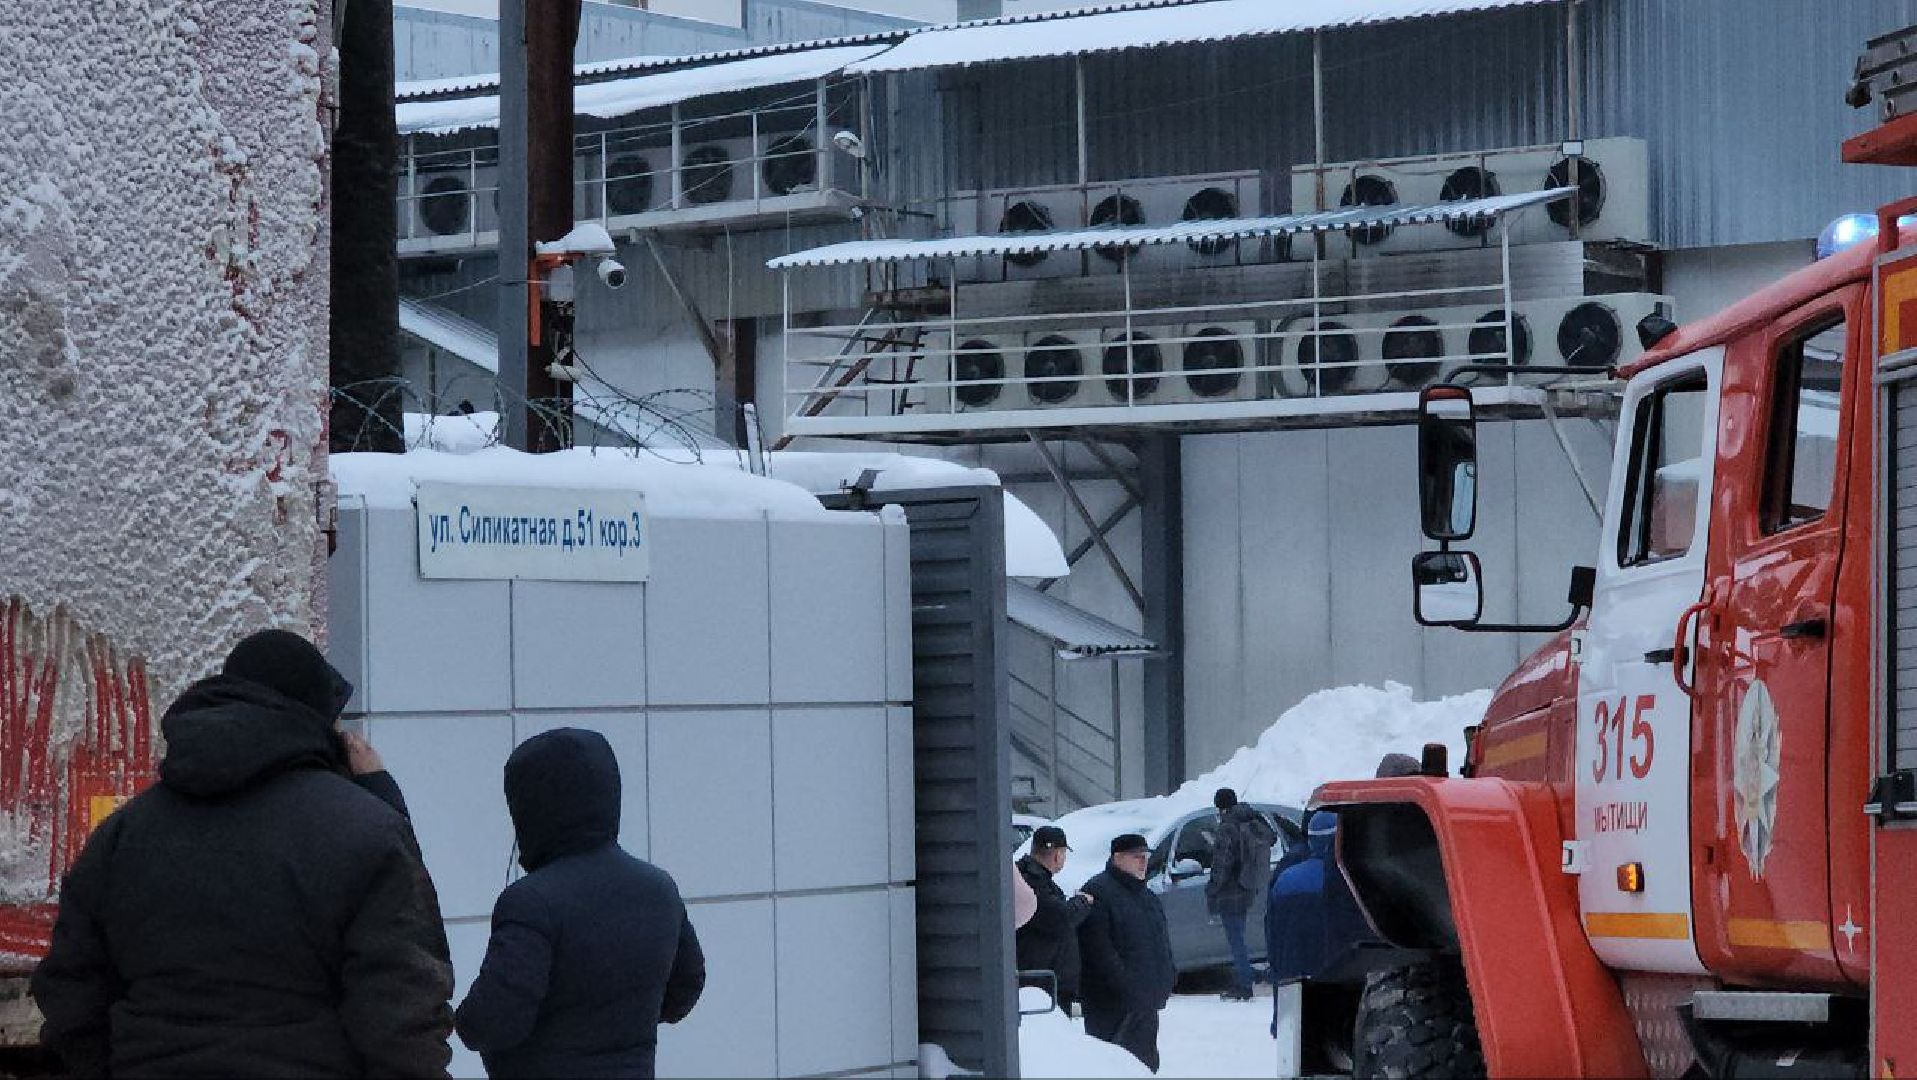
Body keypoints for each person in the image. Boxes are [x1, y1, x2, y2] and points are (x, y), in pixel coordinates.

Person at [31, 628, 455, 1078]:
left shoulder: (125, 832)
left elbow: (71, 991)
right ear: (315, 715)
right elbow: (403, 1014)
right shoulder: (364, 831)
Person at [456, 727, 705, 1079]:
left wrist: (457, 1019)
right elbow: (686, 986)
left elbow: (493, 1021)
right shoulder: (658, 888)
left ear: (529, 807)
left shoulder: (532, 901)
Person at [1076, 833, 1176, 1073]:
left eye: (1145, 857)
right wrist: (1128, 988)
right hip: (1112, 1006)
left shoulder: (1147, 896)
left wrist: (1167, 976)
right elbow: (1099, 951)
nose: (1143, 862)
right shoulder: (1098, 891)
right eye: (1136, 857)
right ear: (1117, 858)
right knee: (1114, 1066)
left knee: (1145, 1064)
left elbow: (1159, 942)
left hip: (1146, 1002)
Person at [1204, 787, 1277, 1002]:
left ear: (1220, 807)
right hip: (1247, 886)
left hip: (1230, 891)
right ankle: (1245, 975)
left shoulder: (1227, 828)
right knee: (1239, 936)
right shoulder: (1249, 820)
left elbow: (1222, 863)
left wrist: (1212, 887)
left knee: (1235, 939)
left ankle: (1244, 983)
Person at [1015, 825, 1091, 1011]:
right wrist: (1082, 902)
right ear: (1057, 855)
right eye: (1063, 853)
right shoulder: (1033, 882)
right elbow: (1060, 919)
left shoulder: (1030, 877)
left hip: (1046, 981)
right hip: (1041, 984)